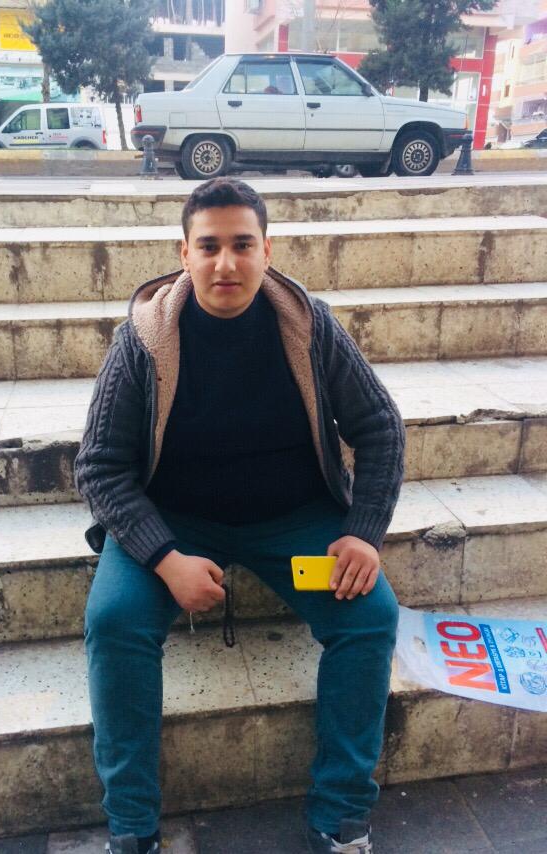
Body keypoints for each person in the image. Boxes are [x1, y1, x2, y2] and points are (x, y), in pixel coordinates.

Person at [74, 177, 405, 854]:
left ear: (266, 249)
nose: (226, 263)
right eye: (209, 246)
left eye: (242, 244)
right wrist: (165, 559)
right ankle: (132, 827)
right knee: (114, 622)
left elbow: (380, 426)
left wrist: (364, 534)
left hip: (296, 522)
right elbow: (100, 466)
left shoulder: (309, 326)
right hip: (173, 522)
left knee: (371, 617)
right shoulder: (142, 339)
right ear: (184, 253)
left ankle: (340, 814)